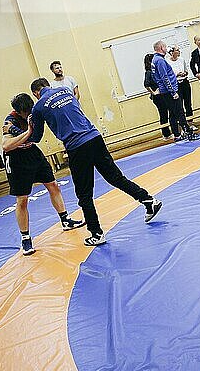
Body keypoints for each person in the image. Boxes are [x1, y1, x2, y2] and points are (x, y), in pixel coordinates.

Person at [28, 78, 163, 246]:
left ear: (35, 93)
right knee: (116, 178)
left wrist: (29, 125)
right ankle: (149, 200)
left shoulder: (39, 106)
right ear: (48, 85)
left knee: (84, 194)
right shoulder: (66, 91)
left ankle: (96, 233)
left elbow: (36, 137)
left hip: (77, 146)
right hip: (94, 137)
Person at [1, 93, 85, 255]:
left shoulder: (35, 112)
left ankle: (65, 220)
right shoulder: (9, 121)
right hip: (17, 160)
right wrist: (27, 133)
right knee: (22, 200)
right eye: (25, 112)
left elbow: (36, 138)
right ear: (18, 112)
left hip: (33, 153)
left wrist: (25, 133)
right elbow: (6, 146)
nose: (28, 114)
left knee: (53, 185)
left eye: (29, 110)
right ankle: (25, 238)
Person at [151, 40, 198, 140]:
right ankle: (188, 132)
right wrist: (173, 92)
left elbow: (156, 77)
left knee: (173, 113)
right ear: (161, 48)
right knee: (179, 112)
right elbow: (164, 77)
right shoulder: (160, 61)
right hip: (169, 91)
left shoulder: (155, 60)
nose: (167, 49)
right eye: (165, 47)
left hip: (166, 90)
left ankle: (177, 135)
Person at [143, 53, 173, 141]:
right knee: (163, 114)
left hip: (163, 95)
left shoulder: (155, 71)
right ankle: (166, 134)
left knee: (169, 112)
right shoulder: (149, 72)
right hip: (158, 97)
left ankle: (171, 131)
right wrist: (153, 92)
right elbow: (146, 84)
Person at [166, 45, 193, 119]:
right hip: (176, 84)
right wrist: (177, 75)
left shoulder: (181, 59)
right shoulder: (167, 62)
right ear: (172, 52)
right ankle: (183, 124)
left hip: (185, 82)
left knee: (188, 103)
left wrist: (185, 73)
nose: (179, 51)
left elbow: (186, 70)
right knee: (179, 105)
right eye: (177, 50)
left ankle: (191, 122)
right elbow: (167, 76)